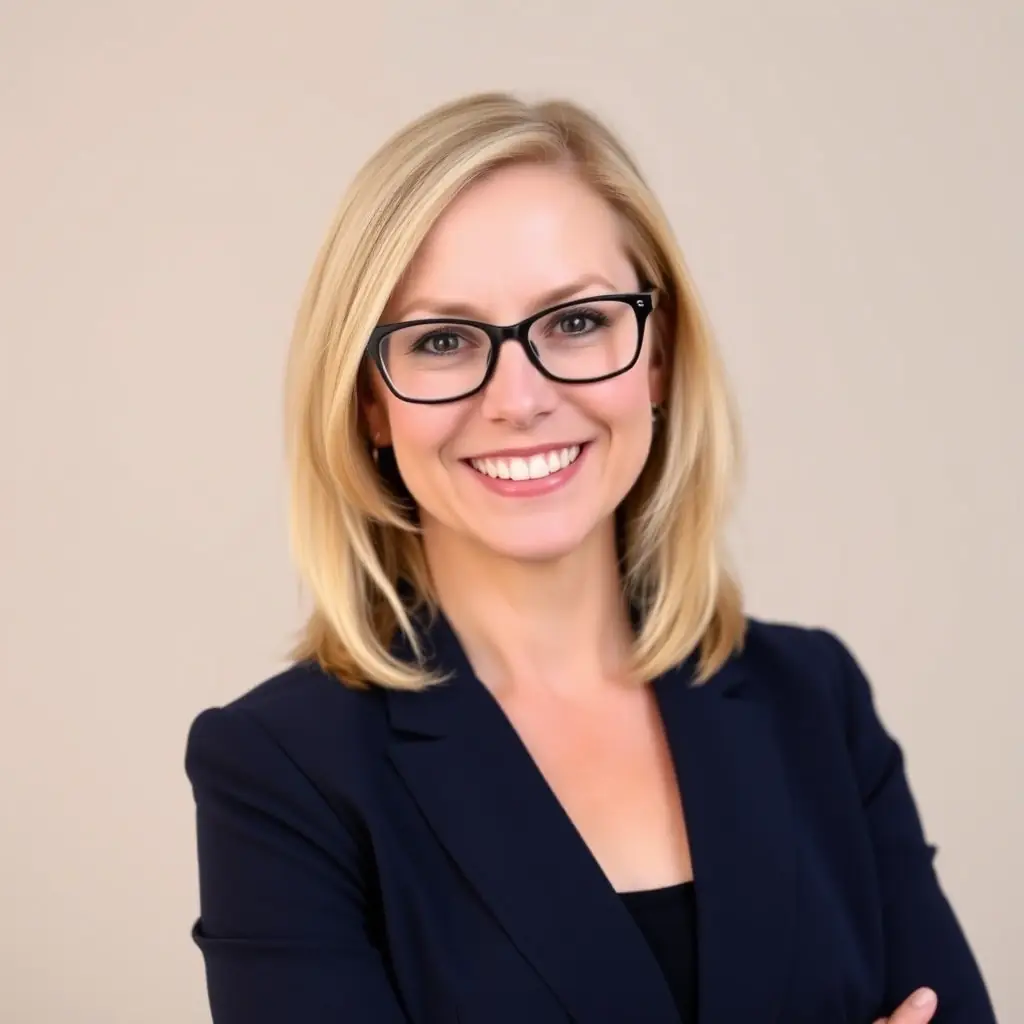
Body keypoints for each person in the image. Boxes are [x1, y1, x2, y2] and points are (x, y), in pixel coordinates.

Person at [184, 92, 996, 1024]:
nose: (519, 400)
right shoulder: (282, 770)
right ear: (371, 401)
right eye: (443, 340)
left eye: (575, 322)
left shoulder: (815, 699)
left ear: (657, 356)